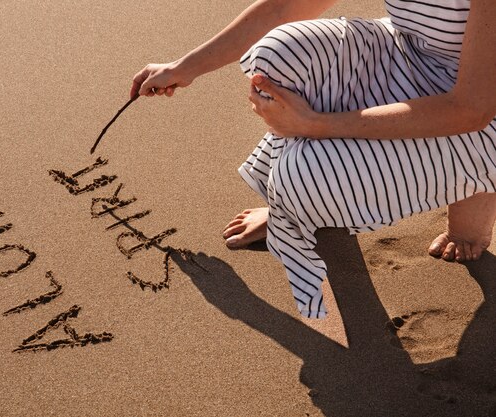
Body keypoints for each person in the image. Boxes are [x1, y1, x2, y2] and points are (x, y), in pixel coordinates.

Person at [130, 0, 496, 318]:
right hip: (412, 56)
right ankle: (292, 205)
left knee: (305, 177)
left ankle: (478, 187)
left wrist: (317, 124)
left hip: (482, 104)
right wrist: (184, 67)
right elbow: (282, 7)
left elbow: (472, 108)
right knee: (276, 56)